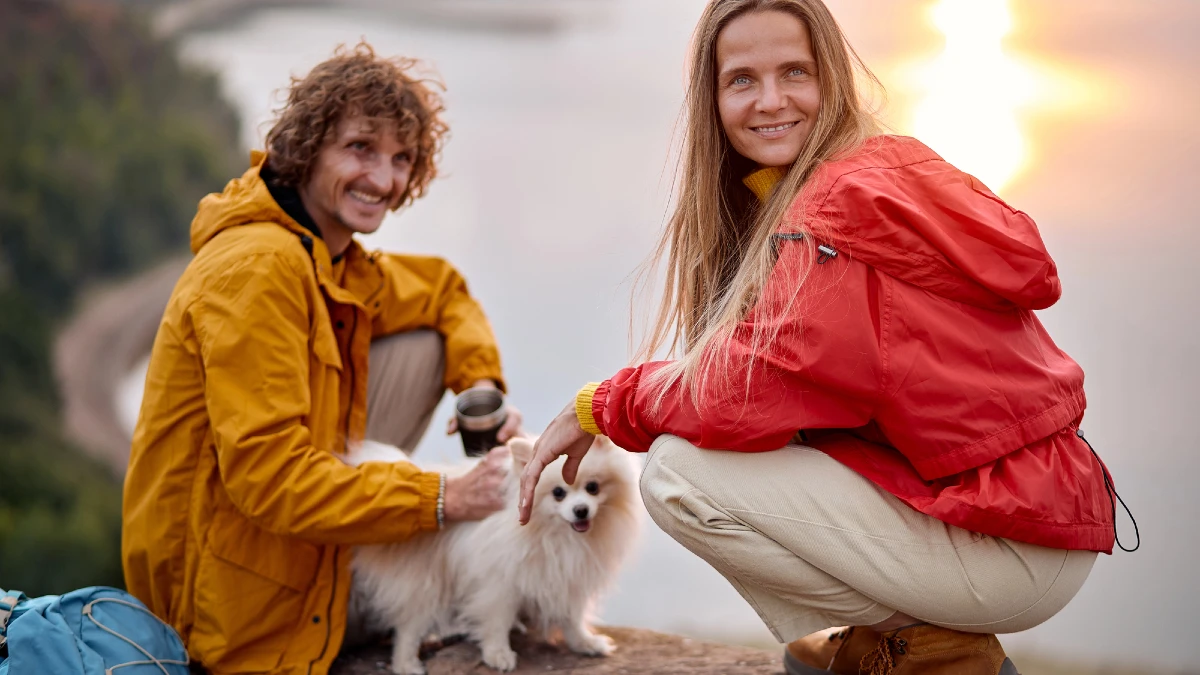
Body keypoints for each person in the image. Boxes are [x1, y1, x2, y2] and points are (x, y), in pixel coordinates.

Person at [518, 1, 1128, 673]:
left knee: (678, 475)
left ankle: (932, 647)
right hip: (1031, 520)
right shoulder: (877, 168)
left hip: (1012, 540)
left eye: (795, 72)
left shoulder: (834, 215)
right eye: (742, 79)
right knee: (754, 436)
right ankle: (895, 636)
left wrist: (599, 403)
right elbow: (771, 380)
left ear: (831, 77)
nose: (771, 100)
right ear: (713, 97)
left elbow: (738, 392)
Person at [122, 43, 522, 675]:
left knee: (428, 333)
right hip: (230, 610)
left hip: (297, 539)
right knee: (475, 573)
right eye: (360, 148)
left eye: (401, 159)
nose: (383, 180)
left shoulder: (331, 260)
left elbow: (445, 290)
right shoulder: (259, 268)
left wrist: (481, 390)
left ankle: (376, 563)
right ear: (307, 146)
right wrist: (442, 498)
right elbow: (271, 478)